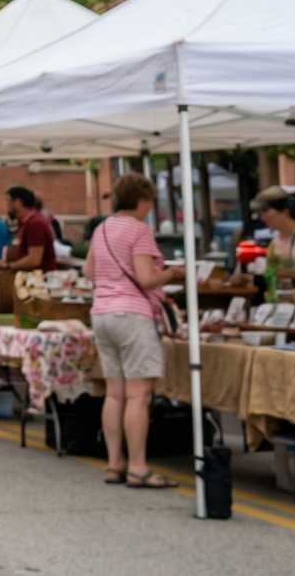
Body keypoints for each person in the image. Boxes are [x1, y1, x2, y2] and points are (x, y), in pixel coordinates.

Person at [85, 174, 180, 489]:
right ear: (141, 201)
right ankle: (138, 468)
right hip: (132, 314)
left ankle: (114, 464)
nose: (150, 208)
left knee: (114, 393)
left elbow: (88, 271)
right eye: (149, 202)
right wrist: (171, 274)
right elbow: (146, 279)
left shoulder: (102, 228)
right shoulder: (139, 230)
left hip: (102, 313)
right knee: (138, 395)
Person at [0, 185, 60, 273]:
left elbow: (34, 260)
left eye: (8, 201)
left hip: (39, 278)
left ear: (18, 202)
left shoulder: (35, 223)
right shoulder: (25, 222)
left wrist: (9, 266)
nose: (7, 206)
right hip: (29, 276)